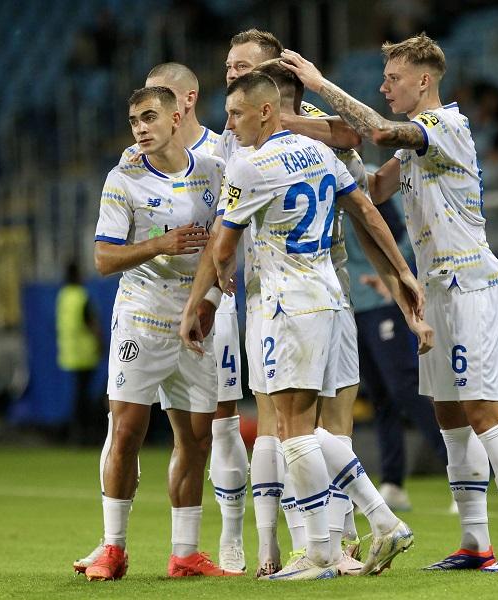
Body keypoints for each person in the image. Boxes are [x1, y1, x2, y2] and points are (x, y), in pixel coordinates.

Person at [282, 32, 498, 571]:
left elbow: (379, 132)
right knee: (448, 414)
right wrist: (318, 144)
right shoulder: (413, 147)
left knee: (483, 409)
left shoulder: (445, 126)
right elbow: (372, 189)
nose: (384, 87)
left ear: (423, 81)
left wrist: (319, 86)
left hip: (470, 284)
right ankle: (475, 542)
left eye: (393, 79)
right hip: (436, 291)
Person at [180, 71, 426, 580]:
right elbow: (366, 210)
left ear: (266, 111)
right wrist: (403, 271)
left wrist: (216, 285)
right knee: (311, 429)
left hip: (287, 306)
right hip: (332, 299)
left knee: (291, 429)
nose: (231, 125)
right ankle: (381, 521)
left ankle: (321, 551)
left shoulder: (248, 166)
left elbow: (223, 245)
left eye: (237, 113)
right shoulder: (318, 152)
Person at [72, 62, 248, 575]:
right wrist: (160, 245)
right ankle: (113, 546)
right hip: (142, 317)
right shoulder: (123, 178)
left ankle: (185, 552)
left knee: (196, 437)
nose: (140, 128)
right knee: (126, 430)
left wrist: (210, 294)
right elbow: (103, 258)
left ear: (176, 117)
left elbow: (226, 239)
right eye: (133, 121)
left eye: (149, 117)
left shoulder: (213, 170)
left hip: (196, 321)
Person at [214, 30, 363, 578]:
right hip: (264, 292)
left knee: (329, 420)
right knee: (277, 420)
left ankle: (340, 539)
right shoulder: (231, 134)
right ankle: (279, 545)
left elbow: (355, 136)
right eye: (230, 67)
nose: (233, 75)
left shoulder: (303, 125)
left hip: (326, 281)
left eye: (244, 67)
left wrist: (286, 120)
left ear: (273, 77)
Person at [343, 197, 447, 512]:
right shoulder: (323, 185)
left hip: (382, 300)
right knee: (380, 396)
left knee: (404, 387)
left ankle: (460, 469)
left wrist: (392, 273)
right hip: (351, 304)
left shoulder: (366, 188)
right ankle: (392, 482)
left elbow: (404, 235)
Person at [56, 261, 102, 444]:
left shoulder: (63, 296)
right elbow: (90, 322)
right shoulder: (81, 296)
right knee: (83, 396)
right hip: (85, 352)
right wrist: (100, 343)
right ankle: (84, 433)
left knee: (77, 394)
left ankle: (76, 432)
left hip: (68, 352)